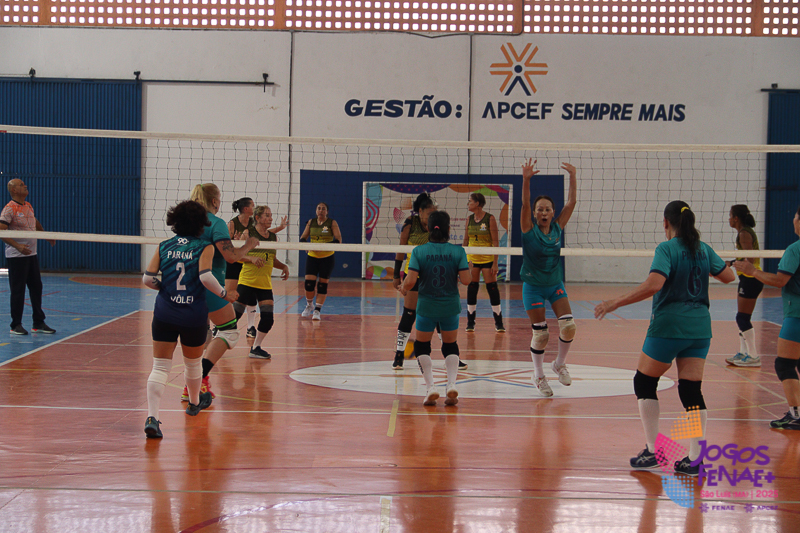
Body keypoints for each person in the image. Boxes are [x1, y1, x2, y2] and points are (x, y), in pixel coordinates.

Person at [595, 201, 735, 474]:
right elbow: (728, 276)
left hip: (670, 326)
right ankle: (696, 459)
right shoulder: (703, 249)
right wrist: (706, 265)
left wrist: (614, 302)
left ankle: (653, 451)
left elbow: (654, 284)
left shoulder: (667, 249)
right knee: (691, 390)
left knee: (645, 382)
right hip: (700, 328)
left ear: (665, 223)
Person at [141, 200, 237, 438]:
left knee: (160, 367)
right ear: (200, 223)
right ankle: (194, 403)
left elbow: (147, 279)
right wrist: (225, 294)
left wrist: (165, 288)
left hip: (164, 312)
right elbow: (205, 278)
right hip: (192, 314)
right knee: (192, 364)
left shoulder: (164, 246)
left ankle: (152, 417)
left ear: (175, 221)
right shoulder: (204, 247)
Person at [183, 183, 260, 401]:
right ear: (215, 201)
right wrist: (249, 245)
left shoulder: (187, 222)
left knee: (199, 336)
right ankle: (198, 381)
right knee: (228, 332)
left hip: (184, 286)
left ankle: (194, 385)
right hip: (209, 286)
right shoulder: (215, 223)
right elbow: (231, 257)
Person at [734, 206, 800, 430]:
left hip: (797, 315)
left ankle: (796, 414)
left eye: (795, 216)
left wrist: (752, 271)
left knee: (785, 364)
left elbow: (780, 281)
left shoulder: (795, 249)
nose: (793, 219)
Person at [399, 210, 471, 406]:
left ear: (428, 229)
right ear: (449, 229)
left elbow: (410, 281)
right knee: (450, 345)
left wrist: (403, 287)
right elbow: (466, 280)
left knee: (422, 346)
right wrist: (469, 269)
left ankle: (431, 387)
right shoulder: (458, 252)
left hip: (427, 306)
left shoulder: (419, 251)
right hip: (450, 306)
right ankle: (451, 385)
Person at [520, 158, 577, 397]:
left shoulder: (557, 227)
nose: (544, 212)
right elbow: (524, 203)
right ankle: (538, 375)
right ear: (534, 214)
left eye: (547, 209)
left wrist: (573, 175)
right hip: (533, 287)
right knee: (541, 334)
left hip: (554, 284)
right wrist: (526, 180)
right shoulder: (528, 229)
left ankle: (559, 364)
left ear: (553, 212)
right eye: (540, 209)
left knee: (569, 327)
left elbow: (571, 202)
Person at [0, 179, 56, 335]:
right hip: (17, 257)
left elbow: (34, 221)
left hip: (31, 254)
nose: (25, 186)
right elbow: (1, 231)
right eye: (21, 185)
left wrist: (45, 235)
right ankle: (15, 325)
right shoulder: (9, 209)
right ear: (14, 190)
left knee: (36, 287)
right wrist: (17, 246)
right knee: (18, 290)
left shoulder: (28, 205)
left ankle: (38, 323)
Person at [234, 205, 290, 360]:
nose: (270, 218)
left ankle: (256, 347)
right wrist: (251, 258)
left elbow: (271, 258)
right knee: (235, 315)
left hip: (264, 284)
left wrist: (283, 266)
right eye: (267, 215)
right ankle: (219, 335)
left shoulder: (272, 237)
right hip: (247, 281)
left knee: (268, 318)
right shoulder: (248, 233)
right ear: (257, 218)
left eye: (271, 215)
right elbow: (236, 256)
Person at [726, 204, 764, 367]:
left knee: (742, 318)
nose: (729, 219)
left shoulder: (744, 233)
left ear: (736, 218)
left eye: (730, 216)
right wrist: (731, 262)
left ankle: (753, 356)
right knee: (742, 317)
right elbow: (745, 257)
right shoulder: (744, 232)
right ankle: (743, 353)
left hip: (751, 279)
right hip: (747, 279)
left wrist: (733, 263)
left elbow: (751, 259)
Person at [462, 192, 504, 333]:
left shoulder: (489, 218)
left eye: (470, 201)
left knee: (492, 288)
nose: (468, 204)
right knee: (472, 288)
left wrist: (495, 262)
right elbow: (466, 241)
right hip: (472, 259)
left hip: (487, 259)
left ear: (478, 203)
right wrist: (463, 260)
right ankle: (470, 322)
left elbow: (495, 242)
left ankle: (499, 322)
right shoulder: (469, 219)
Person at [299, 202, 341, 320]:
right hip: (312, 257)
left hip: (327, 257)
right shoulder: (311, 222)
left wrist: (323, 246)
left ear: (327, 211)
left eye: (323, 209)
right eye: (319, 208)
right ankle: (309, 305)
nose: (321, 210)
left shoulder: (332, 223)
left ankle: (317, 310)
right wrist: (305, 246)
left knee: (322, 285)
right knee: (309, 284)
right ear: (316, 211)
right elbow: (303, 238)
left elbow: (338, 240)